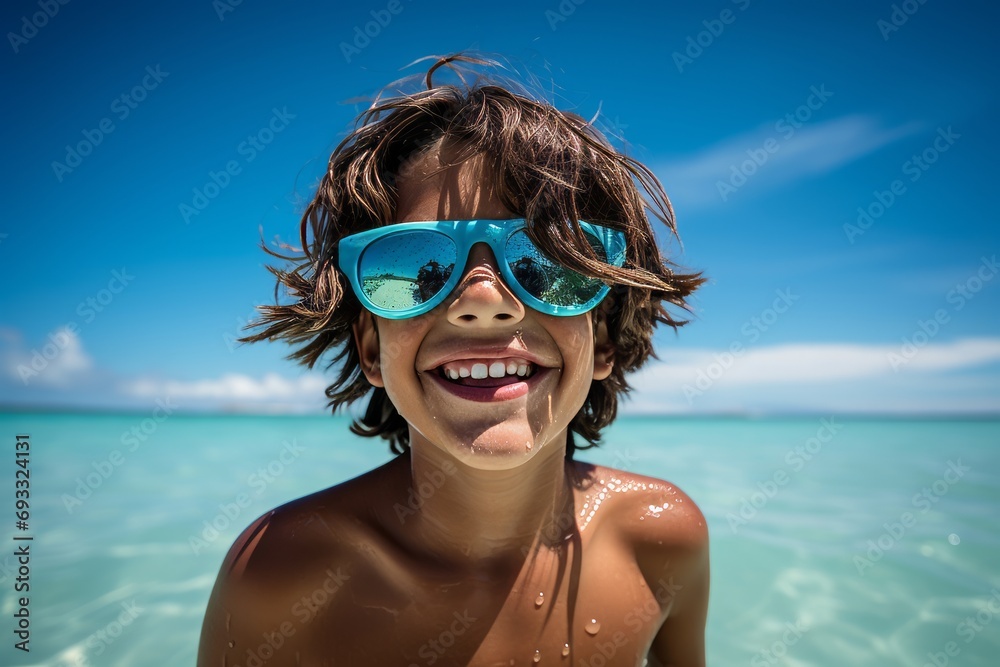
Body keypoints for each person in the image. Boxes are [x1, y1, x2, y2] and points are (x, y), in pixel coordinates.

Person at [198, 54, 710, 667]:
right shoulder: (282, 573)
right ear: (370, 346)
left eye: (545, 260)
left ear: (600, 340)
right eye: (415, 266)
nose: (484, 301)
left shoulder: (660, 538)